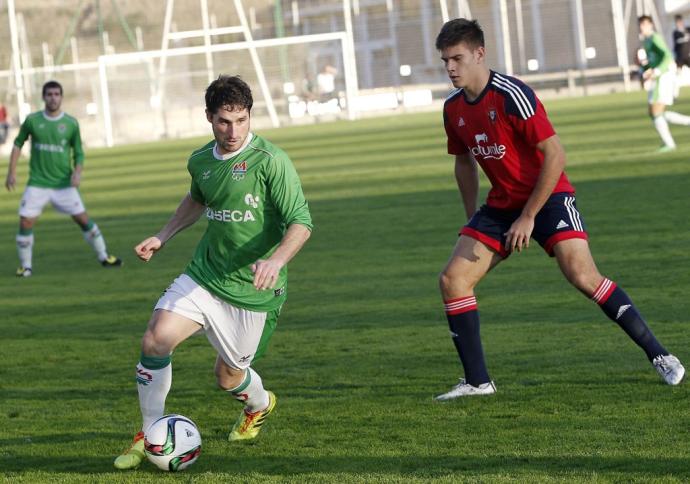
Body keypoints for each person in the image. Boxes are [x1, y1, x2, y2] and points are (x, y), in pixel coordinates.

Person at [434, 18, 684, 401]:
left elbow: (555, 154)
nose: (450, 68)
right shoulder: (453, 109)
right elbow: (463, 161)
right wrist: (472, 218)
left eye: (457, 59)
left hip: (548, 197)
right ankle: (477, 382)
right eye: (445, 61)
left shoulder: (512, 95)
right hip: (502, 204)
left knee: (582, 276)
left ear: (479, 54)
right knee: (453, 280)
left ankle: (661, 355)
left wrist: (529, 216)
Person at [113, 75, 312, 470]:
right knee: (155, 340)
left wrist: (276, 260)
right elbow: (197, 199)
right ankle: (149, 432)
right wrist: (163, 235)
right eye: (224, 121)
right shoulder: (201, 161)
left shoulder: (272, 162)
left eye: (241, 120)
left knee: (227, 377)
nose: (233, 130)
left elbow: (301, 222)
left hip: (253, 291)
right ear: (209, 117)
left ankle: (259, 404)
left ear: (250, 116)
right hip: (205, 275)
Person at [5, 80, 121, 277]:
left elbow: (79, 153)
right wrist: (11, 172)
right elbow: (17, 144)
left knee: (84, 220)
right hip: (38, 183)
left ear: (61, 97)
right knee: (25, 222)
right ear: (43, 97)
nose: (53, 98)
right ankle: (26, 267)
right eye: (49, 94)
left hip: (64, 184)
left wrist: (77, 173)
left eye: (56, 94)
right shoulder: (33, 121)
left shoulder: (70, 123)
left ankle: (104, 256)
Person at [638, 15, 690, 152]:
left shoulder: (655, 38)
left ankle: (669, 144)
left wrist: (655, 71)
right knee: (654, 112)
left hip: (663, 77)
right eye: (640, 24)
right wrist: (644, 69)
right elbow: (653, 60)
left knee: (655, 110)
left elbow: (667, 56)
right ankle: (669, 142)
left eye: (644, 24)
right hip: (658, 77)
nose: (641, 27)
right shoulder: (647, 41)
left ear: (651, 25)